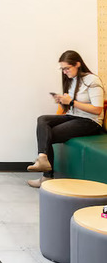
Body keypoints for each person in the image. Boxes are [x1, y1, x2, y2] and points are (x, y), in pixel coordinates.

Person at [27, 50, 106, 188]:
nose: (64, 72)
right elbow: (72, 106)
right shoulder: (73, 80)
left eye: (67, 68)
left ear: (77, 64)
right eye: (62, 69)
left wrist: (71, 102)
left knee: (48, 134)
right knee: (43, 120)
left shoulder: (92, 80)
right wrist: (63, 101)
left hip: (90, 122)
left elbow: (97, 109)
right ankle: (42, 157)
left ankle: (46, 176)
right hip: (74, 116)